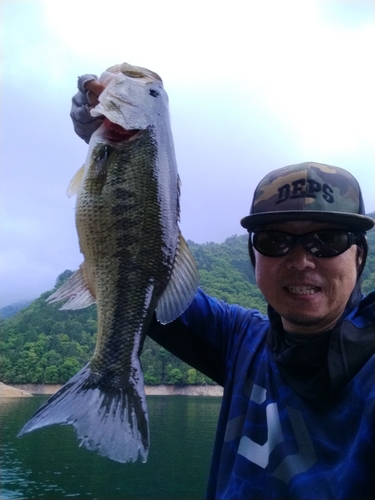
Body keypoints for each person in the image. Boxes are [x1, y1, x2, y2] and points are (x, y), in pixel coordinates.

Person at [71, 76, 375, 499]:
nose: (303, 260)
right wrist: (111, 153)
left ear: (359, 256)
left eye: (329, 240)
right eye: (275, 241)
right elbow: (137, 272)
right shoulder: (242, 341)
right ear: (254, 259)